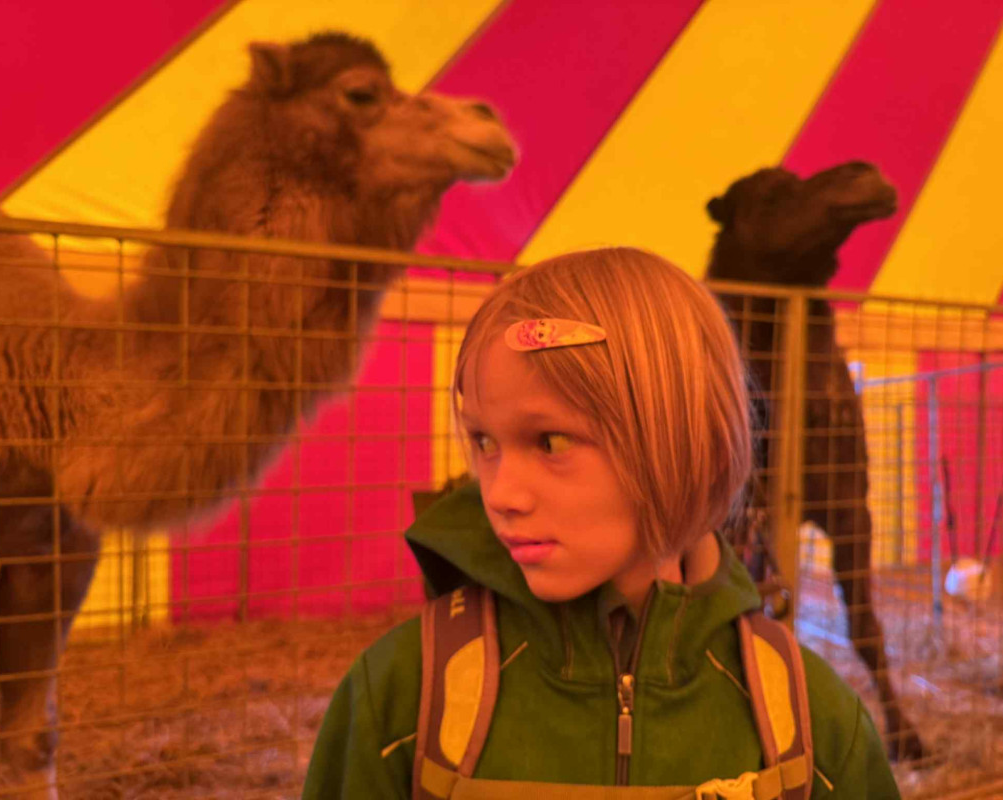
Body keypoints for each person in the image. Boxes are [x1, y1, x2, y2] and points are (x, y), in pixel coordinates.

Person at [303, 247, 900, 799]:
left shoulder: (811, 727)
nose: (501, 494)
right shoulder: (403, 702)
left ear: (688, 445)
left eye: (551, 441)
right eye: (484, 441)